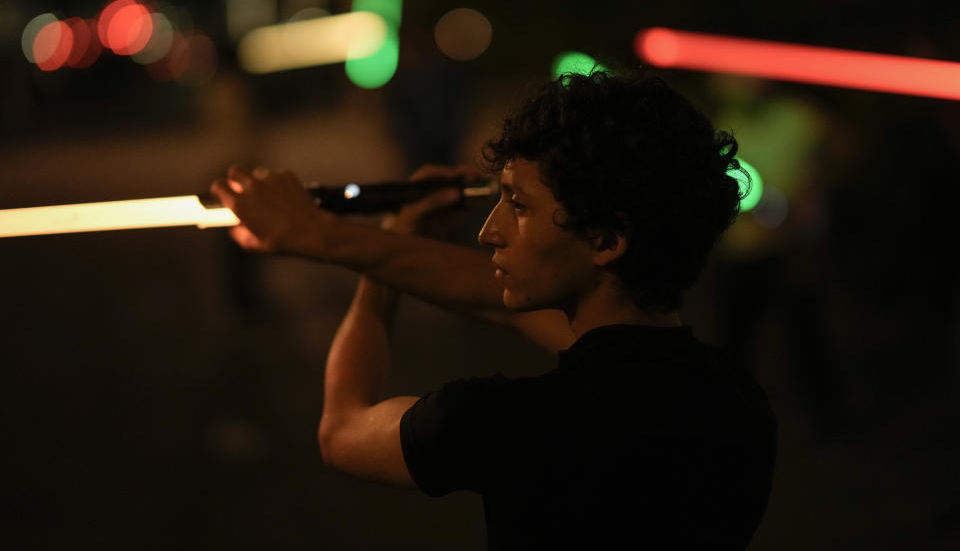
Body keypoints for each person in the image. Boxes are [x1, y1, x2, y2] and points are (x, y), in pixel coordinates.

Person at [210, 71, 777, 549]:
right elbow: (505, 303)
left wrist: (343, 253)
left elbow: (341, 428)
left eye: (520, 206)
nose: (487, 231)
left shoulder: (507, 423)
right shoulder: (740, 403)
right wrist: (386, 241)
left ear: (606, 239)